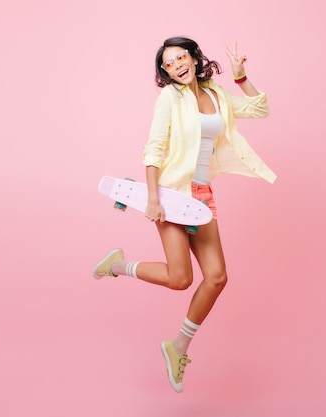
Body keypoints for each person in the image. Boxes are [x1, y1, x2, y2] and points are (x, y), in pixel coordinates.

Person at [92, 36, 276, 393]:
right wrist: (151, 198)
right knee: (180, 279)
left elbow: (258, 109)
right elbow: (154, 148)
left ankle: (177, 348)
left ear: (194, 57)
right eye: (168, 62)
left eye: (181, 57)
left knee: (217, 278)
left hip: (202, 196)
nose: (176, 64)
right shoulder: (169, 99)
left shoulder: (217, 95)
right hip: (173, 194)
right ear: (165, 71)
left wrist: (240, 77)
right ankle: (117, 266)